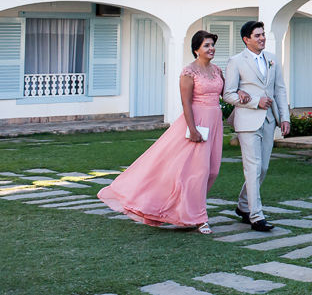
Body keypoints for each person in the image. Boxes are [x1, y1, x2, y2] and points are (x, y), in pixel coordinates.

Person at [97, 30, 249, 234]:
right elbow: (186, 103)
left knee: (212, 171)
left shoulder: (217, 70)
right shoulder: (188, 72)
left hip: (215, 124)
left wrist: (238, 91)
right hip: (196, 123)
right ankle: (200, 218)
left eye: (212, 44)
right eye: (206, 45)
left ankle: (186, 211)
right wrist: (192, 129)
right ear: (196, 49)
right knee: (197, 173)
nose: (211, 48)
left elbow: (224, 93)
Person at [223, 20, 290, 232]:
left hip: (269, 120)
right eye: (257, 35)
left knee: (262, 168)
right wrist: (254, 101)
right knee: (252, 169)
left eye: (263, 35)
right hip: (247, 120)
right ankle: (256, 216)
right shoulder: (236, 61)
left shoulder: (272, 59)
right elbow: (228, 94)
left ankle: (243, 205)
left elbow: (280, 89)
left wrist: (284, 117)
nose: (262, 38)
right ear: (246, 39)